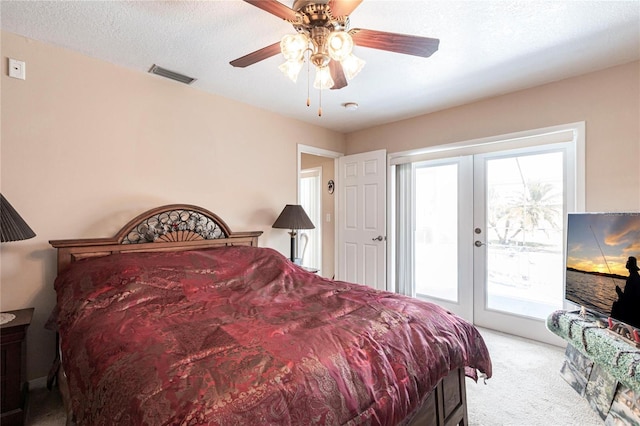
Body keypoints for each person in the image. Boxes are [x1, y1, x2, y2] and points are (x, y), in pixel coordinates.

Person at [611, 256, 640, 328]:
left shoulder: (633, 278)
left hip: (629, 311)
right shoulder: (636, 277)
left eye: (628, 262)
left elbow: (627, 299)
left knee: (616, 305)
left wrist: (619, 292)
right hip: (633, 309)